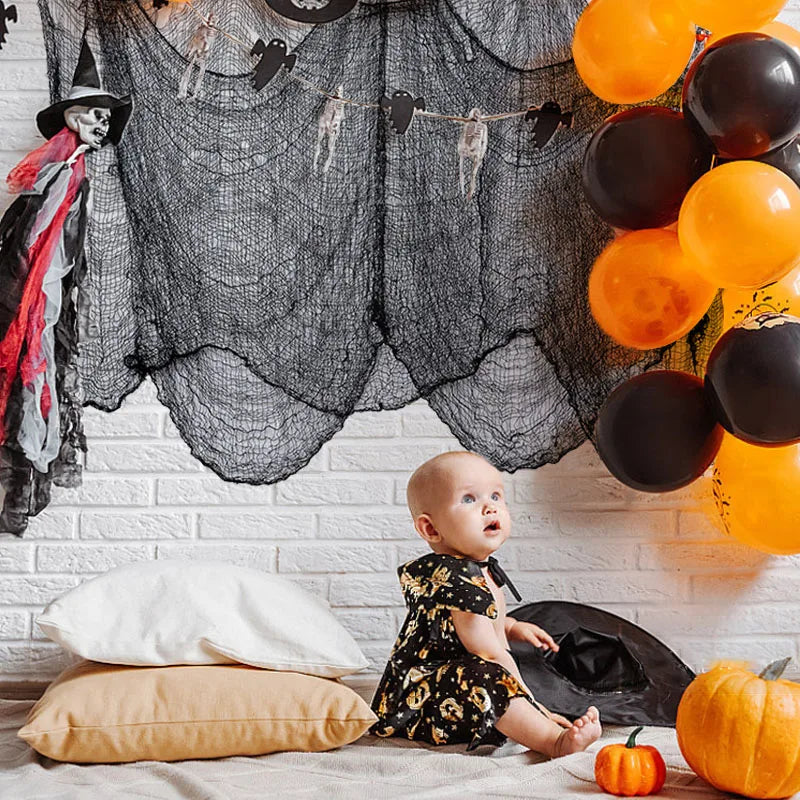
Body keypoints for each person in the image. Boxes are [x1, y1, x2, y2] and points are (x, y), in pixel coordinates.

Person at [371, 450, 601, 757]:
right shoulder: (457, 580)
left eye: (495, 495)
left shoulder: (476, 571)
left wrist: (511, 627)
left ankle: (528, 721)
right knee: (492, 674)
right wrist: (535, 705)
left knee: (508, 668)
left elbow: (467, 625)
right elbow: (487, 652)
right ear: (431, 529)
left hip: (452, 690)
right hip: (420, 704)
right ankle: (554, 741)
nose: (490, 507)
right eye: (469, 499)